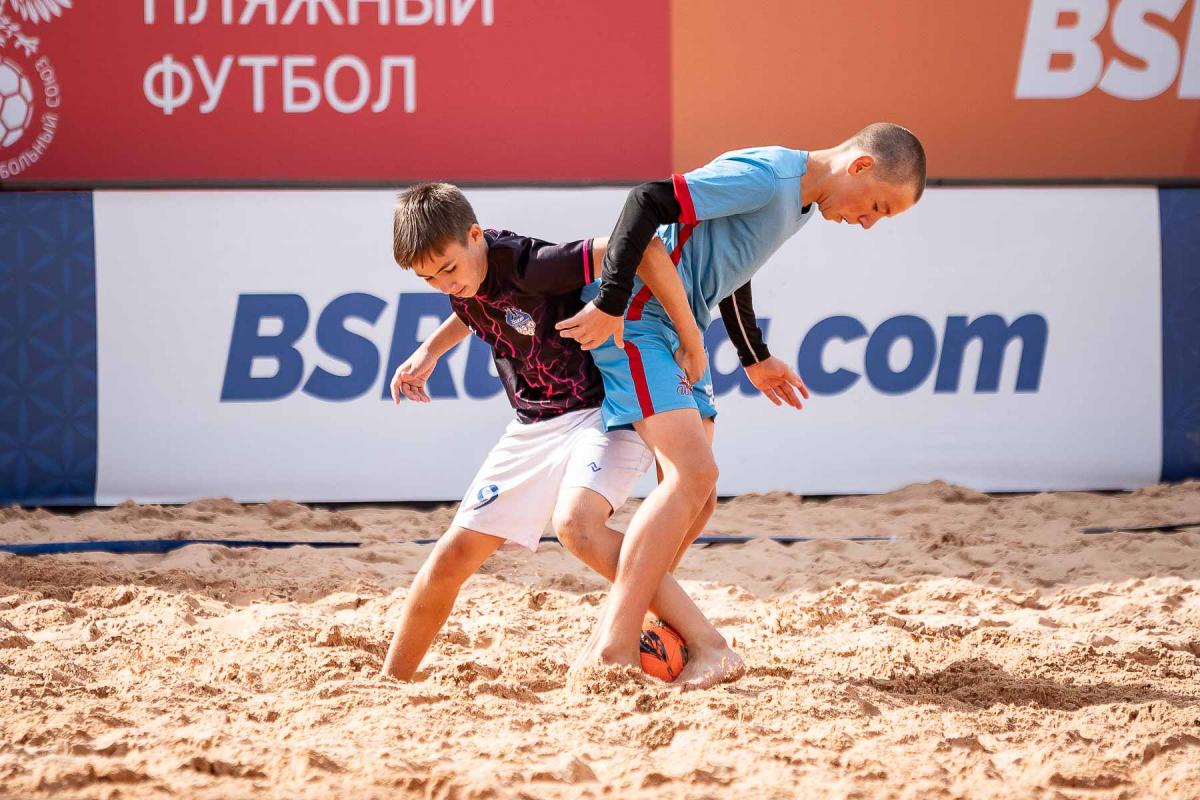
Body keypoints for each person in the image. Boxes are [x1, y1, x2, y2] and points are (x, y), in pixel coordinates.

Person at [556, 123, 928, 675]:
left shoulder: (800, 203)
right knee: (691, 476)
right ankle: (622, 645)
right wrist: (611, 302)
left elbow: (735, 265)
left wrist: (754, 354)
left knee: (700, 498)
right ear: (861, 165)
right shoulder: (769, 176)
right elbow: (647, 200)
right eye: (877, 206)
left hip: (680, 326)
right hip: (640, 313)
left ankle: (631, 627)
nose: (868, 222)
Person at [380, 182, 741, 688]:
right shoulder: (466, 275)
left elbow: (640, 249)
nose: (444, 285)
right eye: (428, 279)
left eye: (447, 269)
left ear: (476, 236)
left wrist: (689, 336)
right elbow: (472, 301)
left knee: (577, 525)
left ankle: (710, 645)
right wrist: (430, 350)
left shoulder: (532, 264)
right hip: (534, 421)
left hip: (601, 410)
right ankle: (390, 684)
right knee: (449, 559)